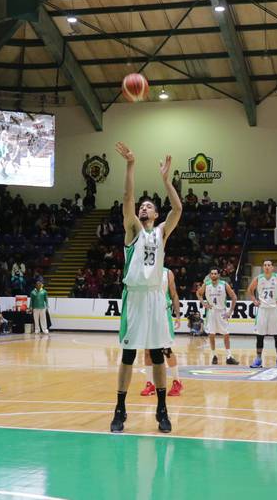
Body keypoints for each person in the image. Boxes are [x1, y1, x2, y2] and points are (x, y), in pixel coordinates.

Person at [109, 142, 182, 434]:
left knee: (156, 355)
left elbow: (178, 208)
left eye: (149, 206)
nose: (143, 207)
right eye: (142, 206)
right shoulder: (133, 230)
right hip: (136, 297)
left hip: (155, 298)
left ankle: (162, 410)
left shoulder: (162, 231)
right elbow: (128, 197)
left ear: (156, 213)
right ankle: (120, 409)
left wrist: (166, 181)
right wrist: (130, 165)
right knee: (128, 356)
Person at [140, 268, 183, 397]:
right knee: (147, 351)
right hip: (147, 314)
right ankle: (150, 384)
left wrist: (178, 315)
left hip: (163, 314)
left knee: (166, 350)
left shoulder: (167, 273)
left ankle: (177, 381)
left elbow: (174, 294)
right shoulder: (144, 271)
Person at [247, 260, 277, 368]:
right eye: (265, 265)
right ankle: (258, 359)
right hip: (262, 310)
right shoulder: (258, 278)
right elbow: (250, 290)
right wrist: (254, 300)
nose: (267, 267)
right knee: (260, 335)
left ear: (273, 267)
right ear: (263, 267)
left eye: (269, 265)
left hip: (274, 309)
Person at [197, 268, 239, 365]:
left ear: (218, 275)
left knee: (226, 334)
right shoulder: (206, 284)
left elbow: (234, 297)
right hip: (211, 312)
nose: (213, 275)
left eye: (215, 273)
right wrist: (203, 303)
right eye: (212, 274)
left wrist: (230, 312)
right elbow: (198, 293)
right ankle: (214, 356)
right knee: (211, 334)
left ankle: (229, 357)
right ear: (210, 275)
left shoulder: (224, 284)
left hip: (222, 312)